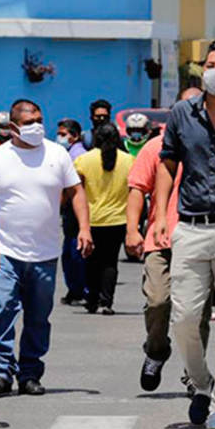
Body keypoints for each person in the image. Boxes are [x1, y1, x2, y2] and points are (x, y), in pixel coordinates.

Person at [154, 40, 215, 429]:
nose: (214, 70)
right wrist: (161, 214)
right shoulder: (182, 113)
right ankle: (201, 383)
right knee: (183, 317)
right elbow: (167, 164)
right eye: (209, 64)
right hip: (191, 226)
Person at [0, 100, 93, 397]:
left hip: (45, 254)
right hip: (6, 253)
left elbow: (76, 191)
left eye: (39, 119)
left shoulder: (57, 154)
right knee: (3, 309)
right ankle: (0, 371)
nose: (36, 126)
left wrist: (84, 228)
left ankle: (29, 373)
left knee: (38, 317)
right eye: (29, 122)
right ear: (12, 126)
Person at [125, 87, 211, 394]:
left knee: (196, 313)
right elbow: (137, 188)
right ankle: (157, 350)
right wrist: (132, 229)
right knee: (158, 302)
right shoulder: (155, 147)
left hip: (203, 239)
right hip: (161, 241)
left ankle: (195, 373)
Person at [74, 123, 134, 315]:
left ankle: (91, 299)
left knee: (91, 261)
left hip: (91, 220)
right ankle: (106, 302)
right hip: (118, 220)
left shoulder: (84, 160)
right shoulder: (129, 160)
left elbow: (78, 191)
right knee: (110, 262)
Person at [56, 119, 88, 306]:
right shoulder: (68, 153)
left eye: (63, 134)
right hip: (70, 213)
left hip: (74, 212)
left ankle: (79, 290)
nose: (59, 137)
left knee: (75, 253)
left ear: (74, 136)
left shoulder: (78, 156)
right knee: (69, 252)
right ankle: (75, 290)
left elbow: (74, 189)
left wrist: (58, 205)